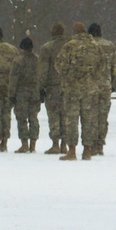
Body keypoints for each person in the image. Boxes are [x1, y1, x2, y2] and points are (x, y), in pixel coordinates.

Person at [55, 22, 106, 161]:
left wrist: (67, 76)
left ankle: (71, 150)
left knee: (71, 119)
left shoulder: (70, 46)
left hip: (72, 88)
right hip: (90, 89)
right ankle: (88, 150)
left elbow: (59, 65)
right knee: (88, 119)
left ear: (75, 32)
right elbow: (102, 66)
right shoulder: (96, 46)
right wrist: (93, 78)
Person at [88, 23, 116, 155]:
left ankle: (90, 144)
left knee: (90, 116)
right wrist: (113, 84)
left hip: (90, 86)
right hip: (105, 86)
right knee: (103, 116)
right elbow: (115, 68)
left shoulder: (88, 46)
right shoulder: (110, 46)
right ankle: (100, 144)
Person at [37, 22, 69, 154]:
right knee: (66, 115)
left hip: (52, 86)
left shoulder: (47, 48)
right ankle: (65, 144)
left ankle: (55, 143)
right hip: (67, 86)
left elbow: (43, 70)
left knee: (54, 115)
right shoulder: (70, 47)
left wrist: (40, 87)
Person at [8, 37, 41, 153]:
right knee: (34, 118)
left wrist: (11, 94)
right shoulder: (38, 60)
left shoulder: (18, 61)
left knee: (22, 118)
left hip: (21, 92)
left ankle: (24, 144)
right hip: (35, 92)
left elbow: (13, 79)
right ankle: (33, 144)